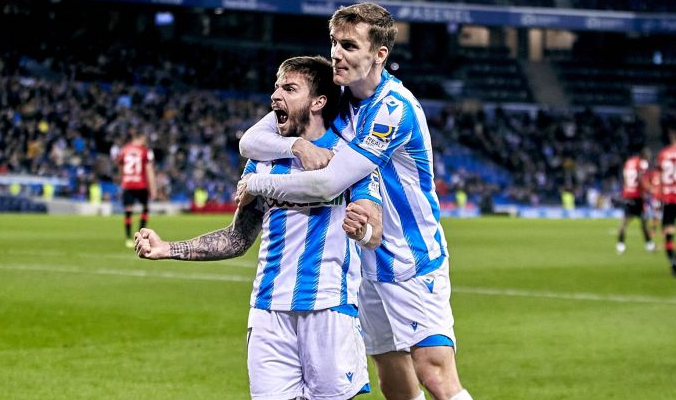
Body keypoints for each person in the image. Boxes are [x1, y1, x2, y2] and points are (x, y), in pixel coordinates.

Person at [238, 4, 473, 400]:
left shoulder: (393, 110)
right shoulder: (333, 95)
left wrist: (257, 183)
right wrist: (295, 143)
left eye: (349, 45)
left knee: (434, 374)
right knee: (392, 378)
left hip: (409, 257)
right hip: (360, 259)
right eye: (333, 42)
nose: (336, 53)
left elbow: (327, 184)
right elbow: (250, 140)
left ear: (379, 53)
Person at [135, 56, 382, 400]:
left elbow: (376, 235)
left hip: (327, 308)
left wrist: (362, 233)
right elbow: (238, 238)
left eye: (289, 88)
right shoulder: (263, 159)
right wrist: (169, 249)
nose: (276, 95)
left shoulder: (349, 158)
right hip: (267, 311)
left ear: (318, 101)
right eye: (276, 86)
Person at [115, 129, 157, 248]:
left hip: (127, 183)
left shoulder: (124, 149)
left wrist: (123, 177)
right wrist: (153, 188)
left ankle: (128, 238)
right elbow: (149, 170)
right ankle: (141, 237)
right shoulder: (145, 151)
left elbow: (119, 165)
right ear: (141, 138)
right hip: (141, 184)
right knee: (145, 209)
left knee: (128, 211)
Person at [616, 148, 654, 254]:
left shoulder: (629, 162)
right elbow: (641, 179)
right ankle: (649, 244)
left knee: (624, 221)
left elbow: (624, 177)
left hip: (627, 194)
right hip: (637, 196)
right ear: (644, 156)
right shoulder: (642, 163)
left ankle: (620, 244)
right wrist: (649, 189)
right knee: (643, 222)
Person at [660, 121, 676, 276]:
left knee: (669, 231)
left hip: (668, 198)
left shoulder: (663, 154)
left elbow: (659, 176)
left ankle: (674, 264)